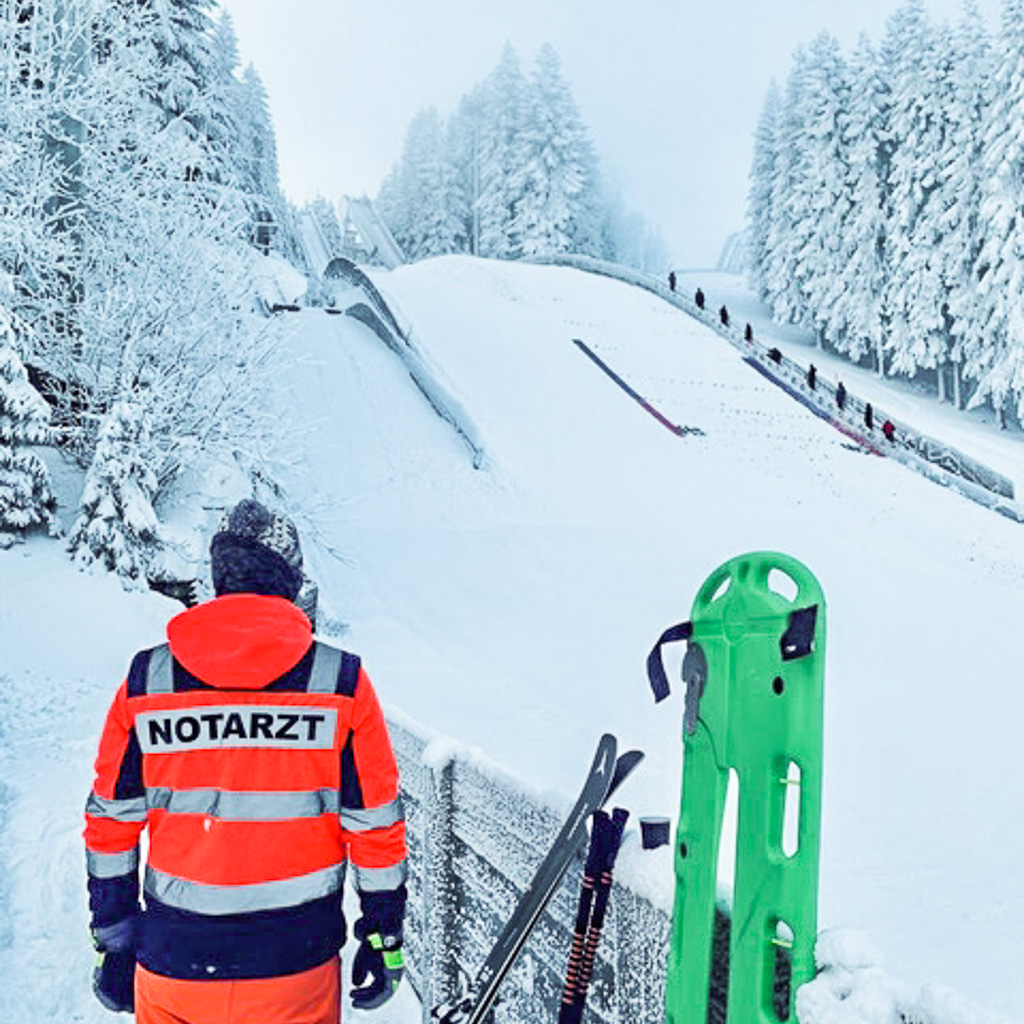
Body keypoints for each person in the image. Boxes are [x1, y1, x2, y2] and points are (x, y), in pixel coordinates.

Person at [84, 499, 407, 1023]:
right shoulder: (340, 684)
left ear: (219, 576)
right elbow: (375, 827)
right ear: (290, 583)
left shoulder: (148, 681)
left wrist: (115, 935)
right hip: (296, 966)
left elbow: (110, 824)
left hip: (175, 962)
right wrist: (383, 933)